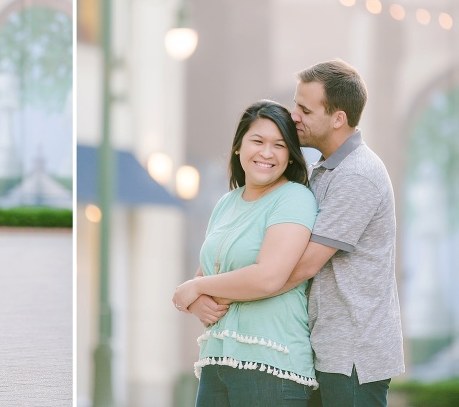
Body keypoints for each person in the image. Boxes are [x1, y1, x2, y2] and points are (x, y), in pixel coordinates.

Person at [193, 60, 405, 407]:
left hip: (352, 351)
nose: (294, 116)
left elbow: (300, 267)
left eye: (305, 109)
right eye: (295, 105)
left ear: (338, 118)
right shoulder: (325, 171)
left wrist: (211, 295)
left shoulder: (357, 174)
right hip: (324, 344)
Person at [172, 100, 319, 406]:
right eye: (258, 141)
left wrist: (195, 288)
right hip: (217, 358)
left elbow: (268, 276)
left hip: (272, 364)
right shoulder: (227, 203)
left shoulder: (294, 198)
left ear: (290, 155)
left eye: (279, 145)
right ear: (239, 147)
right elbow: (211, 272)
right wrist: (198, 299)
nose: (267, 152)